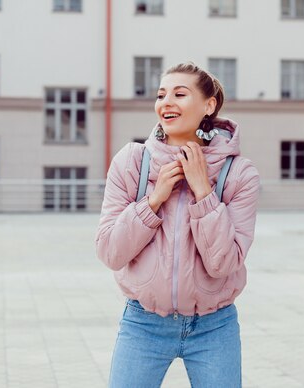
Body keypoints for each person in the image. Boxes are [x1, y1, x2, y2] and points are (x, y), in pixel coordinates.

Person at [95, 62, 260, 388]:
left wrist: (204, 194)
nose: (166, 102)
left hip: (214, 326)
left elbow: (223, 263)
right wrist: (153, 200)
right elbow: (109, 252)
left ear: (208, 105)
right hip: (143, 324)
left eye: (179, 94)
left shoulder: (239, 174)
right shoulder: (132, 162)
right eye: (161, 94)